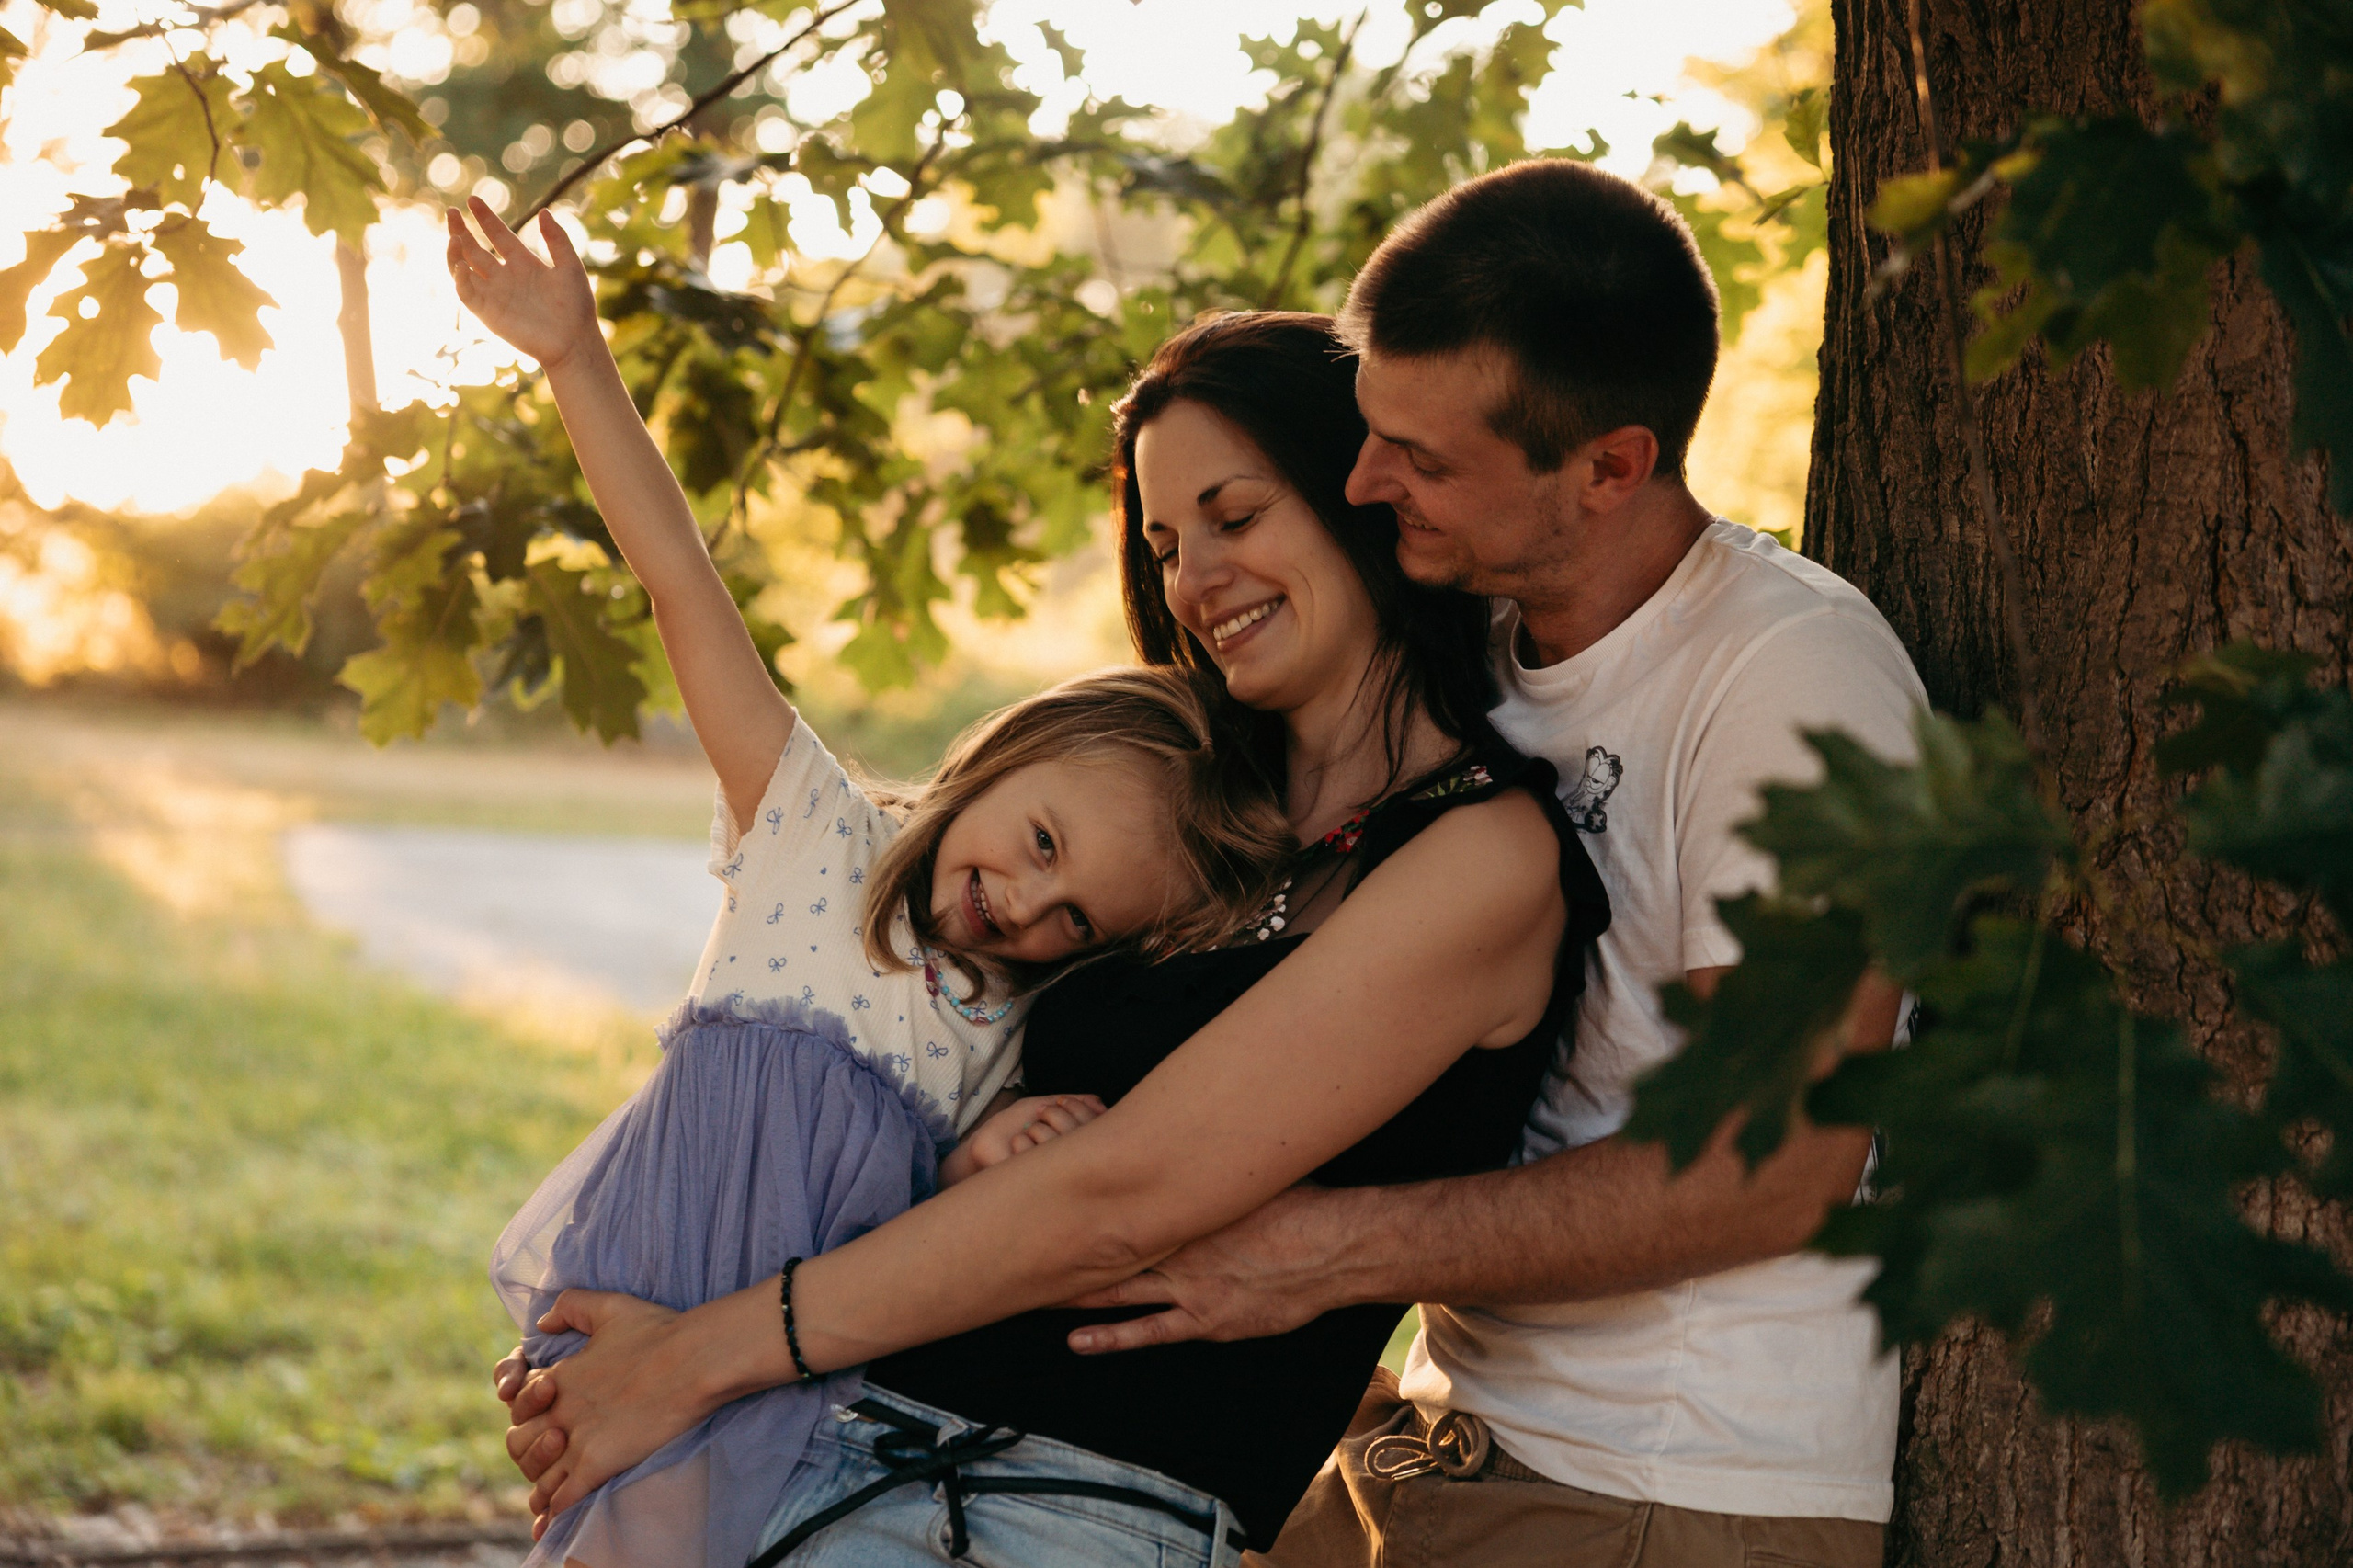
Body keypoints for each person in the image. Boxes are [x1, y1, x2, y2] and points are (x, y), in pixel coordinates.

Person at [492, 308, 1612, 1566]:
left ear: (1359, 493)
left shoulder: (1481, 856)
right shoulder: (1181, 828)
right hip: (832, 1442)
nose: (1195, 580)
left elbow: (1115, 1194)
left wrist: (689, 1362)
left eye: (1237, 517)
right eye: (1166, 545)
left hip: (1051, 1511)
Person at [1070, 161, 1927, 1568]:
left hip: (1661, 1483)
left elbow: (1771, 1165)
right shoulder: (1469, 651)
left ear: (1610, 468)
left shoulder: (1788, 679)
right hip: (1447, 1426)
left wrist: (1319, 1254)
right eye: (1369, 430)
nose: (1363, 482)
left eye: (1423, 458)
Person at [447, 199, 1296, 1568]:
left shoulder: (1008, 1021)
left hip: (811, 1385)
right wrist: (574, 359)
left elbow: (912, 1225)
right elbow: (679, 582)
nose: (1027, 908)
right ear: (1006, 758)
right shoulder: (813, 837)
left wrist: (972, 1164)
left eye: (1076, 917)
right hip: (656, 1286)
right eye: (1040, 844)